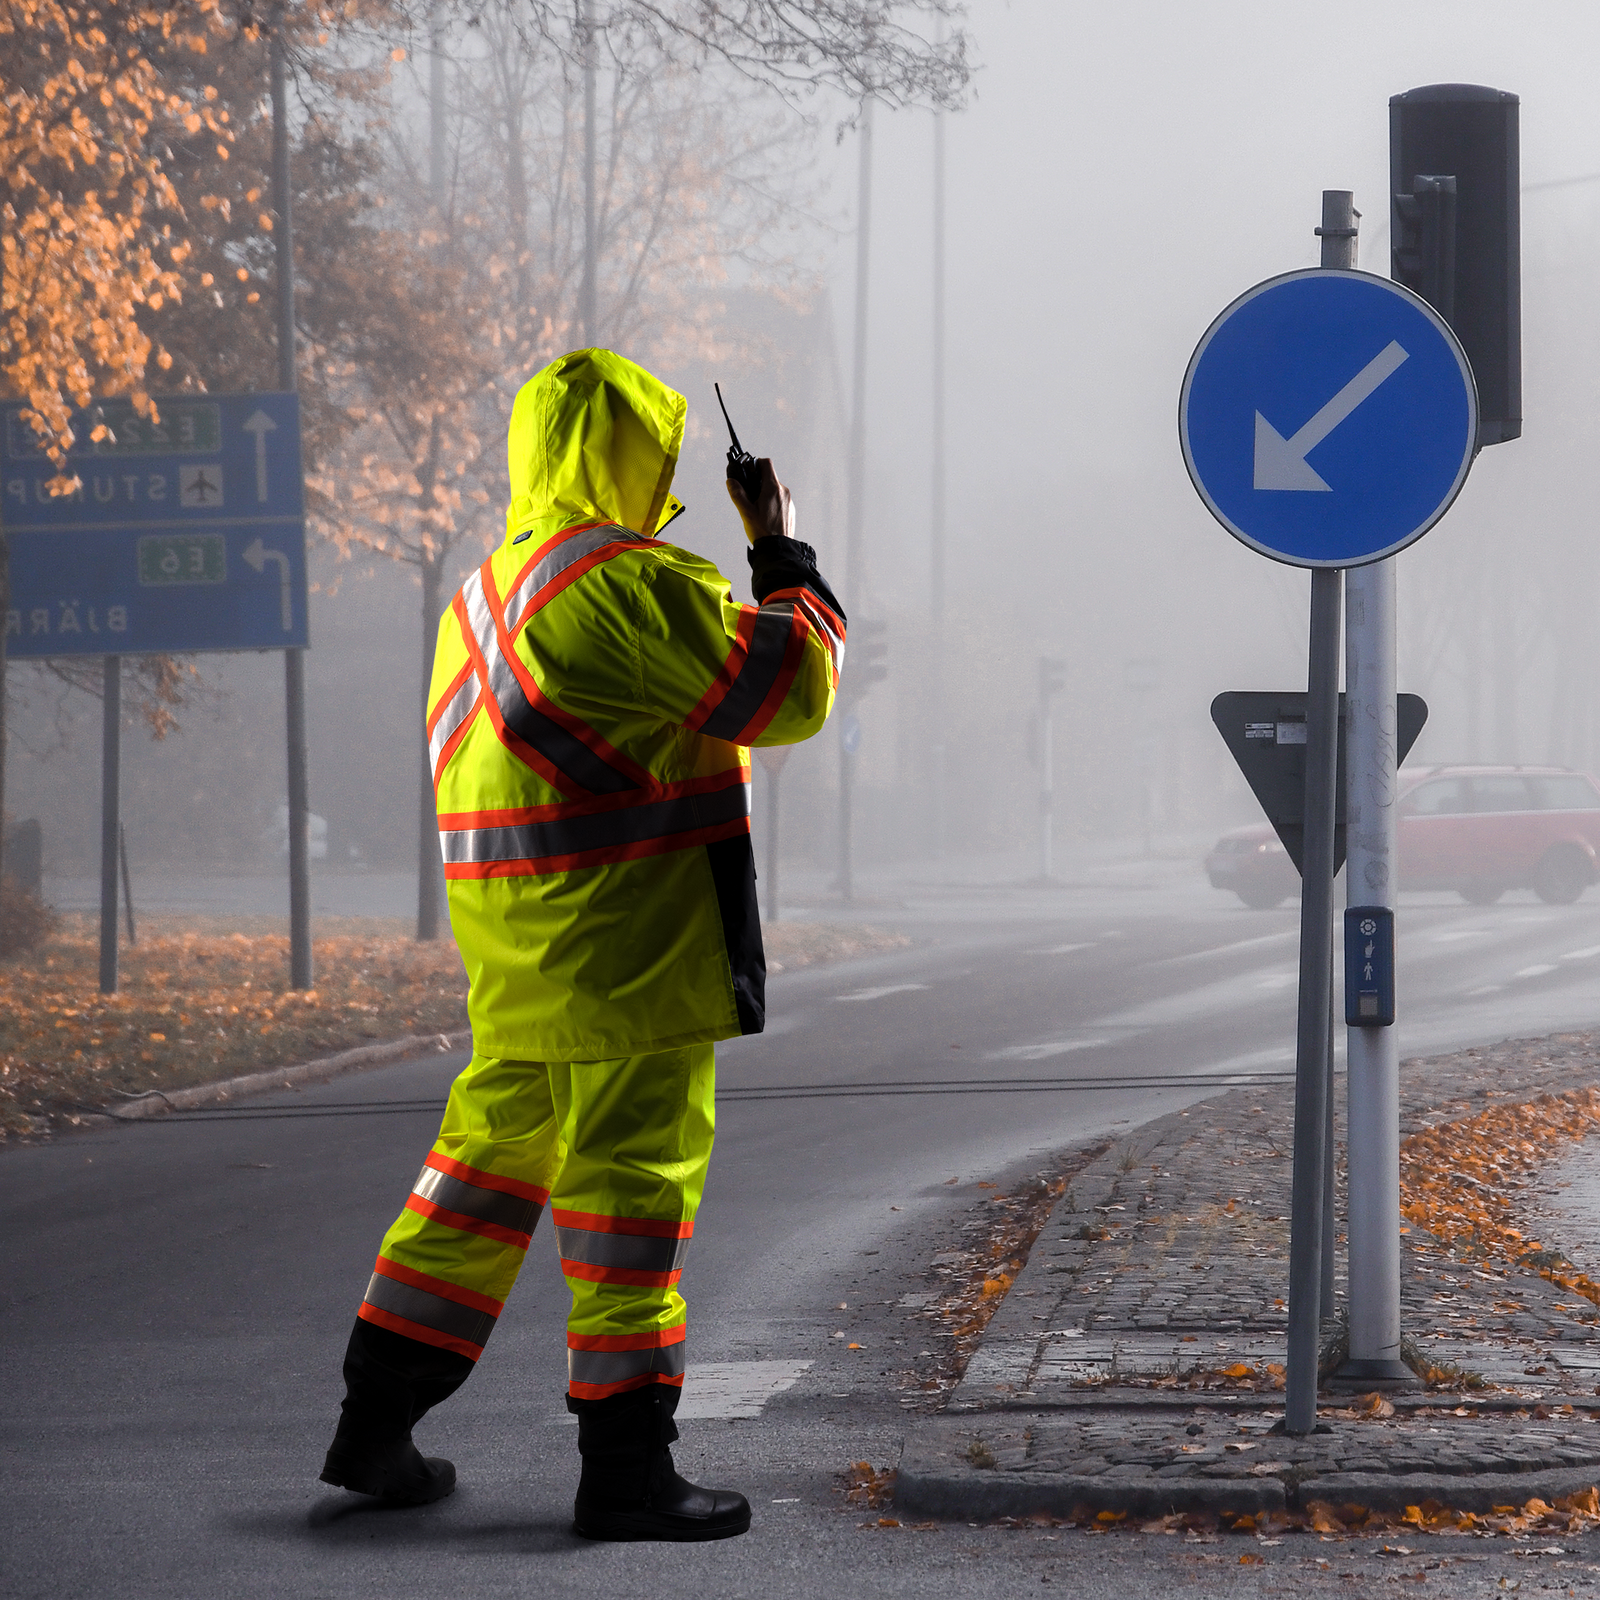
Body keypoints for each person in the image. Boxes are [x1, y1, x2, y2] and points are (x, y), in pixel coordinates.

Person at [318, 349, 845, 1542]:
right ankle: (626, 1475)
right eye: (657, 453)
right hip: (631, 958)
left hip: (518, 962)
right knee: (628, 1211)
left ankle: (373, 1424)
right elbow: (792, 688)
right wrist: (780, 548)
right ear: (636, 455)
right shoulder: (629, 582)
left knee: (472, 1191)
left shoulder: (483, 595)